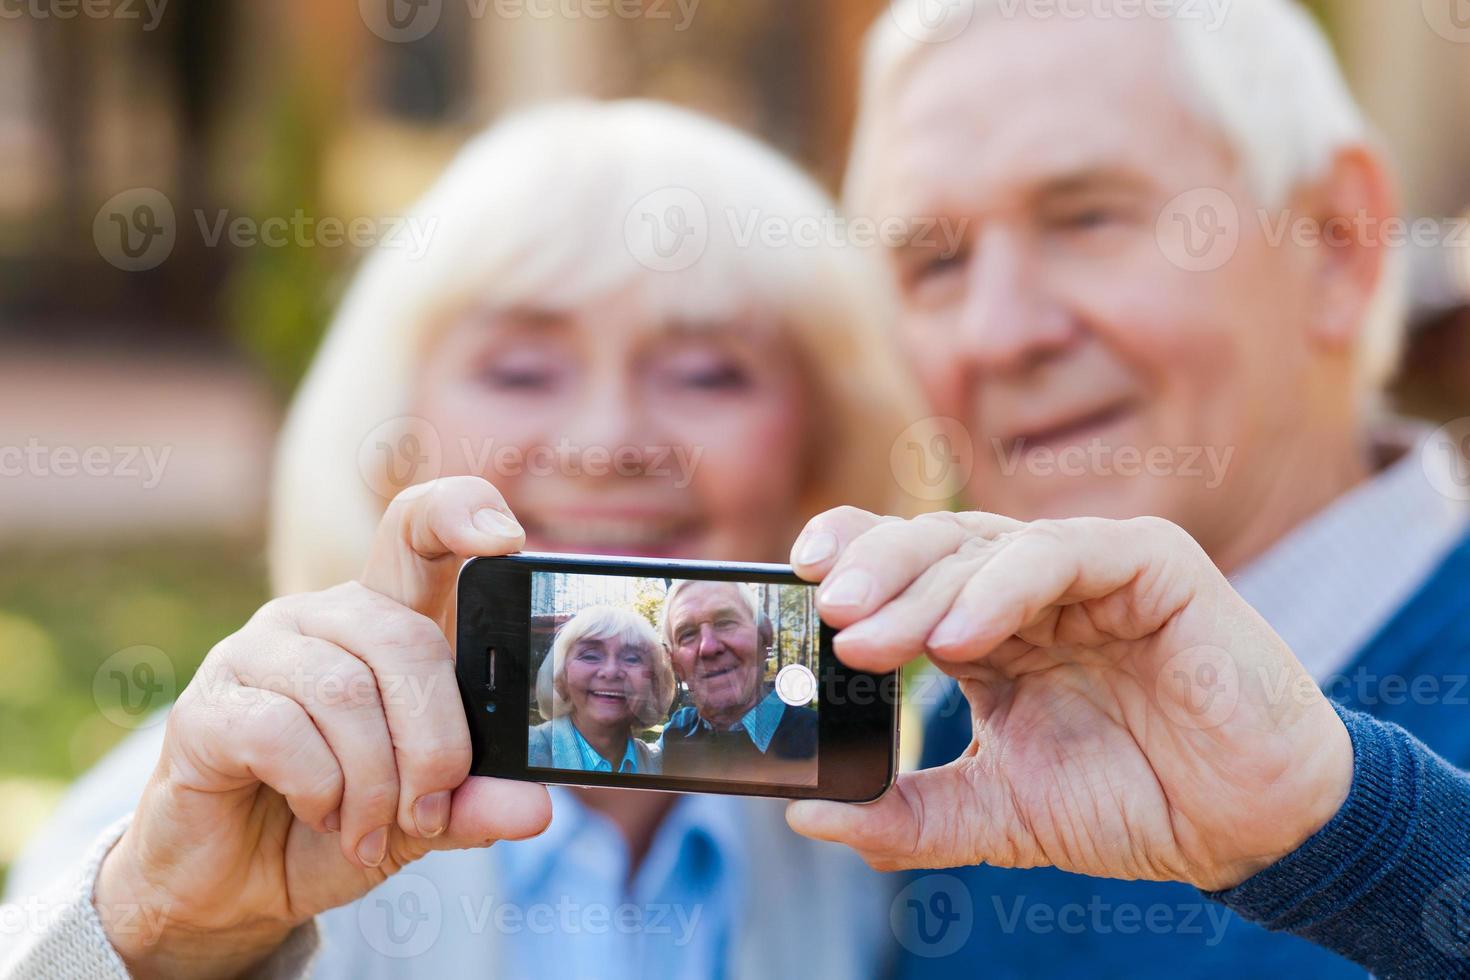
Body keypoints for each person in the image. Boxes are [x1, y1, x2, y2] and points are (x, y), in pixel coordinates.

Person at [0, 99, 928, 978]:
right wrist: (168, 930)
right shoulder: (220, 793)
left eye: (706, 373)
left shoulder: (874, 838)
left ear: (820, 443)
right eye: (521, 371)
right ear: (394, 440)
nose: (606, 444)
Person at [841, 0, 1470, 974]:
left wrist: (1360, 831)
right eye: (937, 261)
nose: (998, 332)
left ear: (1337, 240)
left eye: (1088, 217)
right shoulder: (947, 743)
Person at [782, 505, 1470, 980]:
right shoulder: (964, 732)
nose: (1001, 334)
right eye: (936, 282)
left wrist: (1360, 835)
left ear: (1343, 285)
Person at [658, 580, 817, 784]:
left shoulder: (819, 739)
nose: (708, 647)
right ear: (675, 663)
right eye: (687, 634)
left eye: (725, 622)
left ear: (764, 635)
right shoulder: (675, 734)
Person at [529, 605, 674, 774]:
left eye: (632, 658)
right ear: (561, 673)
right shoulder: (525, 751)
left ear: (653, 681)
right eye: (590, 655)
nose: (611, 672)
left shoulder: (662, 766)